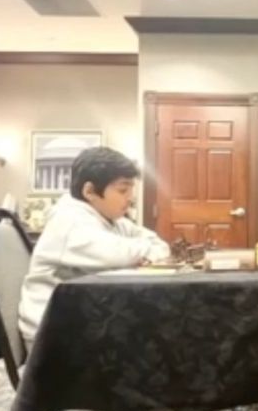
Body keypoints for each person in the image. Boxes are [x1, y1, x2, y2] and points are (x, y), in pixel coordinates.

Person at [18, 146, 171, 348]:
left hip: (83, 321)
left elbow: (159, 245)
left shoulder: (112, 219)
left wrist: (144, 252)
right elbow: (118, 254)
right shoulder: (69, 221)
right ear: (89, 191)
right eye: (123, 190)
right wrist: (143, 253)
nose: (131, 197)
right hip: (53, 335)